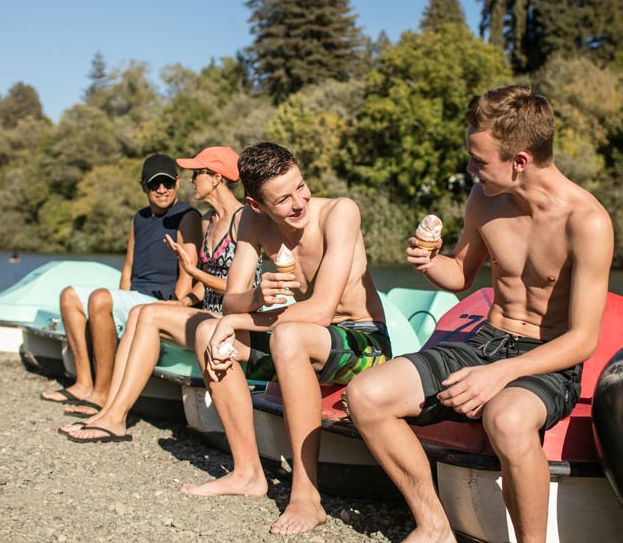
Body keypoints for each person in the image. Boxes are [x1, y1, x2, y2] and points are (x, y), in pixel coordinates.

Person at [345, 86, 614, 543]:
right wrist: (431, 264)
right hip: (486, 341)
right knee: (365, 395)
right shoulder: (484, 198)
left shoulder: (586, 222)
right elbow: (461, 275)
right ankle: (433, 526)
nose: (470, 168)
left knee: (507, 420)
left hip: (547, 360)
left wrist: (500, 376)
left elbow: (583, 340)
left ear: (521, 160)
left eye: (479, 160)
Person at [180, 142, 391, 537]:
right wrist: (257, 297)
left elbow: (323, 311)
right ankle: (247, 472)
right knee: (208, 330)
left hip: (363, 342)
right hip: (296, 336)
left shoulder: (338, 213)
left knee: (285, 336)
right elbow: (231, 299)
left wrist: (242, 318)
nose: (299, 203)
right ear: (256, 204)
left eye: (302, 187)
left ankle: (307, 495)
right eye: (283, 199)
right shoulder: (252, 222)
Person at [62, 146, 260, 442]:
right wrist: (183, 301)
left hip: (235, 322)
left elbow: (241, 290)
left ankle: (116, 417)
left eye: (197, 174)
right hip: (207, 314)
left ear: (216, 177)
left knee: (150, 314)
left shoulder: (245, 219)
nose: (192, 180)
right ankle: (109, 411)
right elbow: (201, 286)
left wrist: (194, 273)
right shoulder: (208, 220)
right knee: (140, 311)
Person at [41, 154, 202, 418]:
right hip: (136, 297)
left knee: (101, 299)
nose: (161, 190)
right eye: (154, 185)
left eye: (167, 183)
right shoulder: (138, 218)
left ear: (177, 182)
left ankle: (102, 394)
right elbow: (128, 266)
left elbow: (189, 266)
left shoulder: (187, 216)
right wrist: (120, 300)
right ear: (143, 187)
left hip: (161, 303)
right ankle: (84, 383)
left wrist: (179, 302)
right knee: (70, 296)